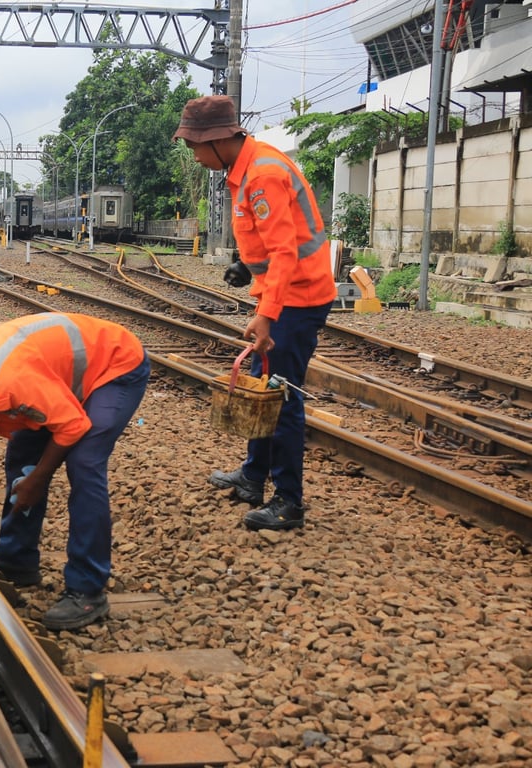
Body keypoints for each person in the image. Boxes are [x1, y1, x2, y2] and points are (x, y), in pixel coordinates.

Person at [0, 313, 150, 630]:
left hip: (115, 364)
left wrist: (39, 478)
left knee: (84, 463)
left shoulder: (8, 387)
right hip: (51, 380)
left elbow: (74, 425)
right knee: (24, 450)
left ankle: (88, 589)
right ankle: (16, 559)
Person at [173, 94, 337, 531]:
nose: (193, 155)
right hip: (284, 293)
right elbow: (273, 241)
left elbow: (286, 251)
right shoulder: (246, 168)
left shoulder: (262, 173)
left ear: (217, 140)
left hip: (297, 300)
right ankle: (253, 476)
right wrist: (248, 267)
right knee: (265, 388)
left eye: (194, 146)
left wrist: (266, 314)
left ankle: (288, 501)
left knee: (281, 397)